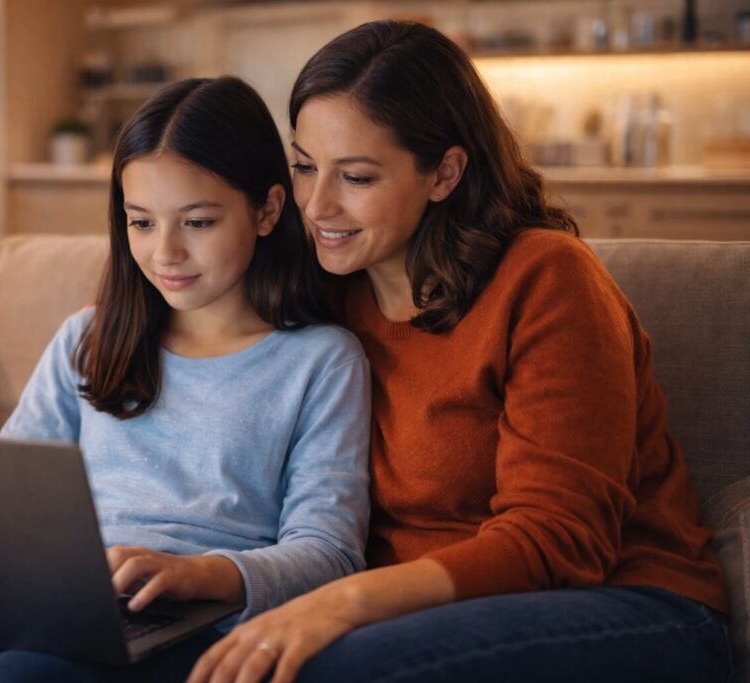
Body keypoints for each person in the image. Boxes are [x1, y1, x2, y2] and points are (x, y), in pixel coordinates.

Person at [188, 21, 731, 683]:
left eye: (356, 177)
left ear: (444, 172)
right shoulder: (327, 292)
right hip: (407, 611)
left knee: (328, 666)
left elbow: (558, 538)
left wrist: (345, 601)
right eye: (304, 167)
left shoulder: (548, 279)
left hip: (628, 602)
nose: (318, 205)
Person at [0, 76, 371, 683]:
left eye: (197, 223)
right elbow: (4, 493)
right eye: (141, 223)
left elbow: (330, 552)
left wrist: (198, 574)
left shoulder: (320, 361)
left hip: (189, 617)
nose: (165, 252)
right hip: (52, 595)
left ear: (267, 210)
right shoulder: (88, 338)